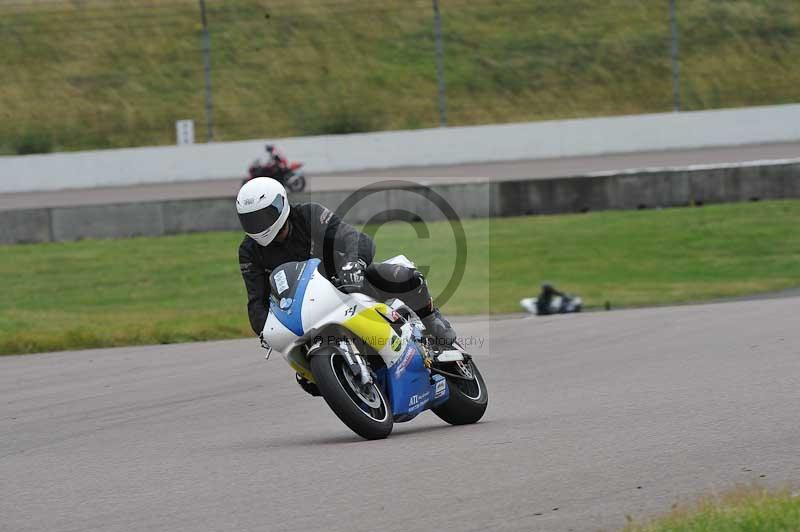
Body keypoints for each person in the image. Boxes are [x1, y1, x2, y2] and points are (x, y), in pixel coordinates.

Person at [236, 177, 457, 353]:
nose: (259, 225)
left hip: (346, 282)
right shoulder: (249, 251)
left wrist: (355, 264)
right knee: (308, 382)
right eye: (251, 220)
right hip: (305, 311)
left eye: (263, 216)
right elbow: (256, 299)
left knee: (398, 275)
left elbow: (354, 238)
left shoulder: (308, 215)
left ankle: (431, 318)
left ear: (280, 204)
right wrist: (265, 331)